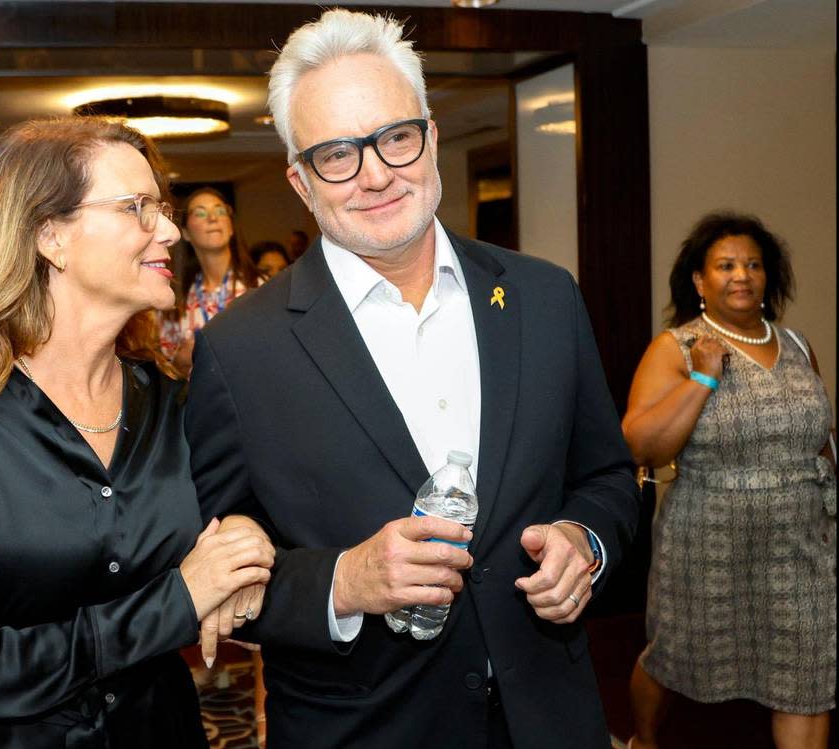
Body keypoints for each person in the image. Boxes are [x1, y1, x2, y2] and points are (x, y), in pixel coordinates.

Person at [183, 10, 640, 749]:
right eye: (337, 154)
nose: (375, 174)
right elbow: (209, 564)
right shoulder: (241, 350)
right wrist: (343, 581)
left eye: (395, 137)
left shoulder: (544, 296)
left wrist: (582, 540)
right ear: (301, 182)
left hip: (550, 717)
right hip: (365, 727)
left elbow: (608, 476)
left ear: (429, 133)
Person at [0, 118, 274, 747]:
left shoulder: (174, 405)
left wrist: (244, 528)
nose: (168, 230)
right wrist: (178, 600)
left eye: (162, 208)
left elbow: (245, 511)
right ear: (49, 235)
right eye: (137, 208)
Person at [623, 212, 835, 749]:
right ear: (700, 280)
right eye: (725, 265)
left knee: (807, 672)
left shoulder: (797, 344)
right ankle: (644, 740)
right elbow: (642, 445)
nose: (742, 275)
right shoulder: (676, 346)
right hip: (707, 540)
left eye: (754, 265)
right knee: (672, 656)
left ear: (769, 277)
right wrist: (702, 377)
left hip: (801, 540)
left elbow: (819, 435)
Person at [159, 187, 258, 377]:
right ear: (185, 233)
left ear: (230, 227)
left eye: (220, 211)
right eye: (200, 213)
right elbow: (165, 371)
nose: (213, 218)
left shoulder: (262, 289)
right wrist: (180, 361)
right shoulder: (174, 301)